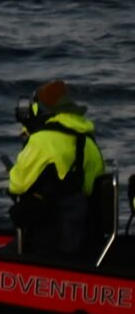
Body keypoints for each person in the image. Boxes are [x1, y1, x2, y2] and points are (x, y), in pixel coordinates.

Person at [7, 81, 113, 264]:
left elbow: (17, 185)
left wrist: (29, 139)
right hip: (83, 238)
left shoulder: (42, 139)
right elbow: (90, 186)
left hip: (50, 241)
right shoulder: (87, 139)